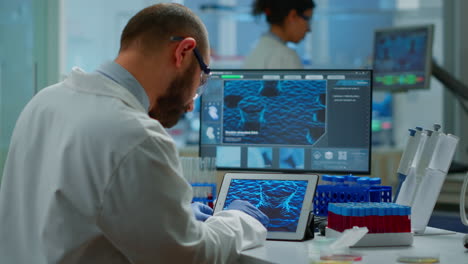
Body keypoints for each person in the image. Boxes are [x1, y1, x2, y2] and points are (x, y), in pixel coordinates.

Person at [0, 3, 269, 264]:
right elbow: (189, 257)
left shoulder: (45, 101)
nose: (190, 104)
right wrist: (238, 221)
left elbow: (75, 212)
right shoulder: (137, 136)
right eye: (201, 80)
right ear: (183, 52)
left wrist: (175, 219)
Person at [243, 0, 316, 69]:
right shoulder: (286, 57)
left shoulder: (257, 50)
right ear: (292, 16)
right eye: (308, 20)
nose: (309, 29)